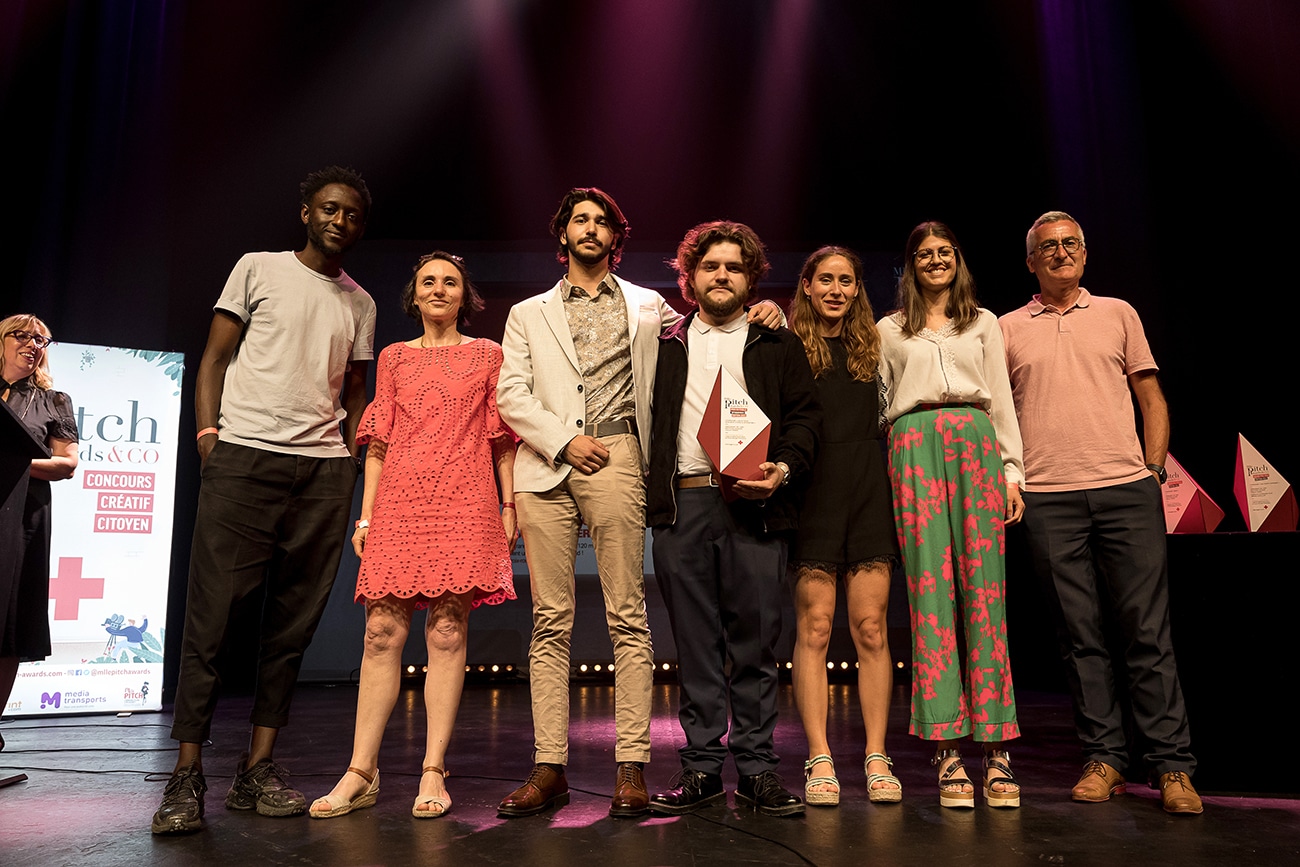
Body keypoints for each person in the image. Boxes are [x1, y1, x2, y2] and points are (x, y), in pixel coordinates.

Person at [495, 188, 782, 818]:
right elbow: (511, 395)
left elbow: (712, 322)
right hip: (547, 465)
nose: (590, 229)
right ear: (563, 232)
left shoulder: (649, 306)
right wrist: (565, 441)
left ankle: (632, 765)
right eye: (580, 220)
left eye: (602, 222)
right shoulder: (527, 312)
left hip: (621, 460)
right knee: (550, 621)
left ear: (615, 236)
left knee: (628, 614)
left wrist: (769, 314)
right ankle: (550, 767)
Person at [152, 166, 376, 835]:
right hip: (243, 459)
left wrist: (350, 451)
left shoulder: (359, 302)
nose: (340, 221)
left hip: (322, 472)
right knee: (212, 619)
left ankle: (257, 769)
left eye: (352, 215)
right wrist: (209, 436)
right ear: (306, 211)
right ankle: (186, 773)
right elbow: (214, 358)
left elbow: (357, 388)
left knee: (291, 626)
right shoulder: (257, 267)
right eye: (330, 209)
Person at [999, 211, 1201, 815]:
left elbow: (1150, 395)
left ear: (1084, 254)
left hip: (1125, 490)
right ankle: (1106, 757)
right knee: (1079, 635)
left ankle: (1171, 766)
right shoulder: (1006, 327)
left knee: (1147, 632)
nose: (1061, 253)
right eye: (1048, 247)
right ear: (1031, 261)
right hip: (1048, 498)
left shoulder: (1118, 313)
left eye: (1071, 244)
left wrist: (1154, 470)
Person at [310, 252, 517, 821]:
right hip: (399, 503)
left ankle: (433, 769)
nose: (439, 289)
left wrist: (508, 504)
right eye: (429, 281)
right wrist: (366, 517)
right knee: (380, 631)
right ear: (415, 293)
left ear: (464, 294)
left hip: (464, 502)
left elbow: (501, 436)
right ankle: (361, 771)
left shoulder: (487, 354)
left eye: (451, 281)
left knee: (447, 631)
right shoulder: (396, 358)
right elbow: (377, 441)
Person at [646, 221, 820, 818]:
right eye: (711, 266)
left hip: (756, 506)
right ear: (689, 276)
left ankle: (756, 770)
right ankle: (698, 769)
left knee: (755, 646)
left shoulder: (777, 341)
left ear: (751, 278)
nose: (722, 275)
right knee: (695, 647)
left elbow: (804, 421)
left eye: (735, 267)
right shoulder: (666, 342)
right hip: (685, 503)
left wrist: (782, 472)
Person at [877, 221, 1024, 809]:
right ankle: (945, 750)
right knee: (930, 596)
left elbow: (1002, 398)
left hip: (976, 439)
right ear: (910, 266)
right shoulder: (890, 329)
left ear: (957, 260)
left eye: (944, 252)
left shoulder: (983, 322)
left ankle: (996, 749)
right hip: (912, 444)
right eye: (923, 254)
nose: (935, 260)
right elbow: (881, 402)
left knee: (985, 594)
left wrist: (1013, 473)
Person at [786, 248, 901, 806]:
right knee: (814, 628)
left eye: (846, 281)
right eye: (825, 279)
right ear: (806, 286)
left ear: (857, 289)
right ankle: (820, 757)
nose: (835, 289)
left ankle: (877, 757)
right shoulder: (785, 344)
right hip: (813, 492)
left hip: (867, 490)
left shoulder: (876, 345)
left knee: (872, 628)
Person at [1, 315, 79, 748]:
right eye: (22, 335)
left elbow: (67, 464)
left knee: (10, 623)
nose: (33, 344)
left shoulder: (53, 401)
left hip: (23, 517)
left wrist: (16, 463)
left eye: (41, 339)